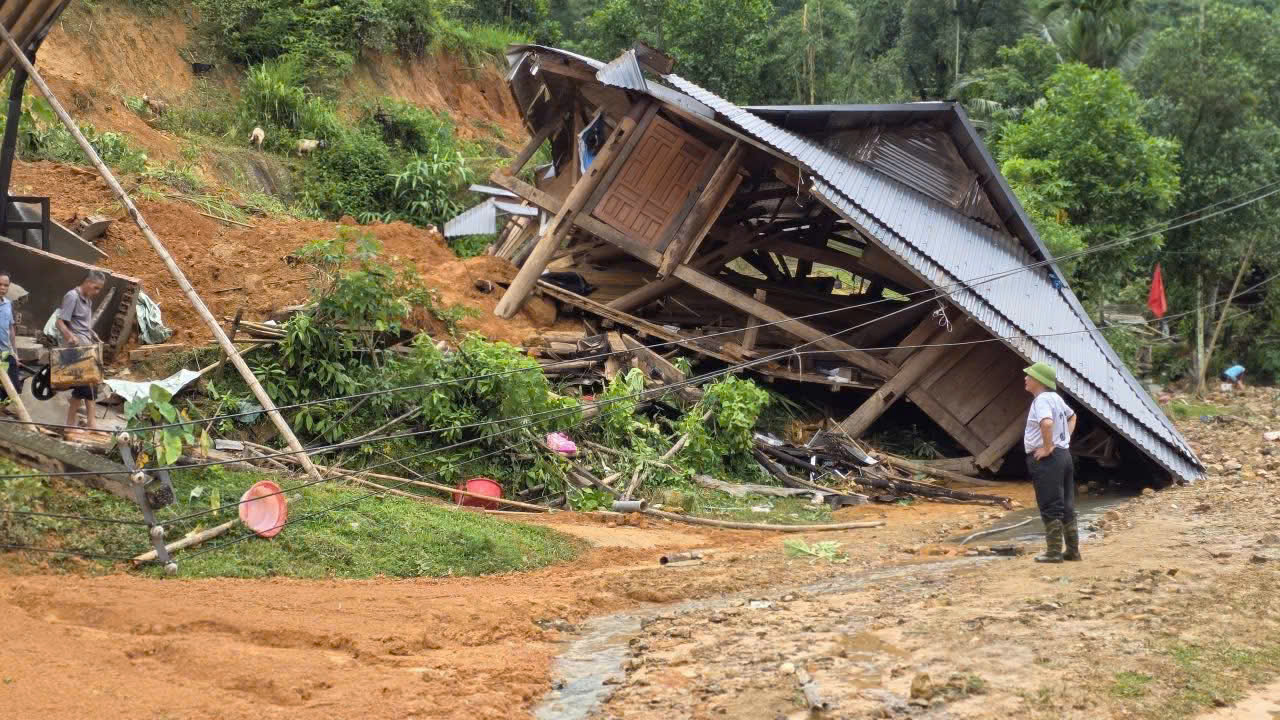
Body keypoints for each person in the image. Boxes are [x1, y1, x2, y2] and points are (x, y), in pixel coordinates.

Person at [1023, 361, 1079, 563]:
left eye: (1029, 375)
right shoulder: (1055, 398)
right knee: (1067, 504)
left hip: (1049, 460)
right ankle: (1073, 551)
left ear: (1039, 380)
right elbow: (1072, 417)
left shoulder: (1042, 400)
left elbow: (1046, 423)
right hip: (1064, 455)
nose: (1025, 378)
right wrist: (1064, 441)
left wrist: (1048, 447)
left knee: (1050, 504)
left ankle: (1054, 552)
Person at [56, 270, 106, 431]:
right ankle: (75, 425)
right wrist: (70, 336)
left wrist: (93, 334)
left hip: (87, 346)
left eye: (99, 289)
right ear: (88, 282)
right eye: (96, 288)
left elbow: (84, 325)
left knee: (90, 385)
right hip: (76, 349)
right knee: (85, 385)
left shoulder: (88, 300)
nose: (97, 292)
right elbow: (60, 322)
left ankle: (85, 424)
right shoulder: (72, 296)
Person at [0, 270, 21, 406]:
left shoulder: (8, 304)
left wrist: (15, 353)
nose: (2, 288)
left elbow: (11, 329)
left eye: (5, 285)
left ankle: (2, 408)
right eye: (0, 284)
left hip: (6, 351)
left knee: (14, 386)